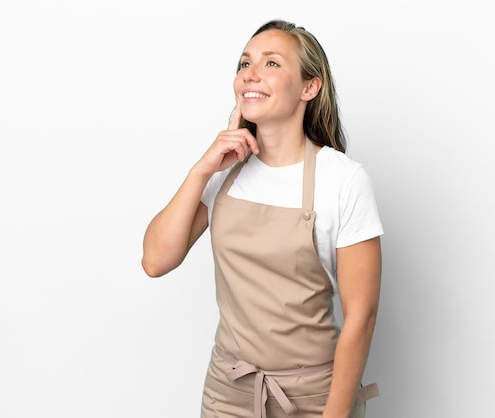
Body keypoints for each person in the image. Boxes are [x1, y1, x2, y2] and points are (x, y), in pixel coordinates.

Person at [142, 19, 383, 418]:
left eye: (271, 64)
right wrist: (202, 169)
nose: (250, 74)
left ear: (310, 87)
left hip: (314, 398)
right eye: (244, 63)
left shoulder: (343, 180)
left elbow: (362, 317)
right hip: (227, 392)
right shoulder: (224, 171)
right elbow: (155, 260)